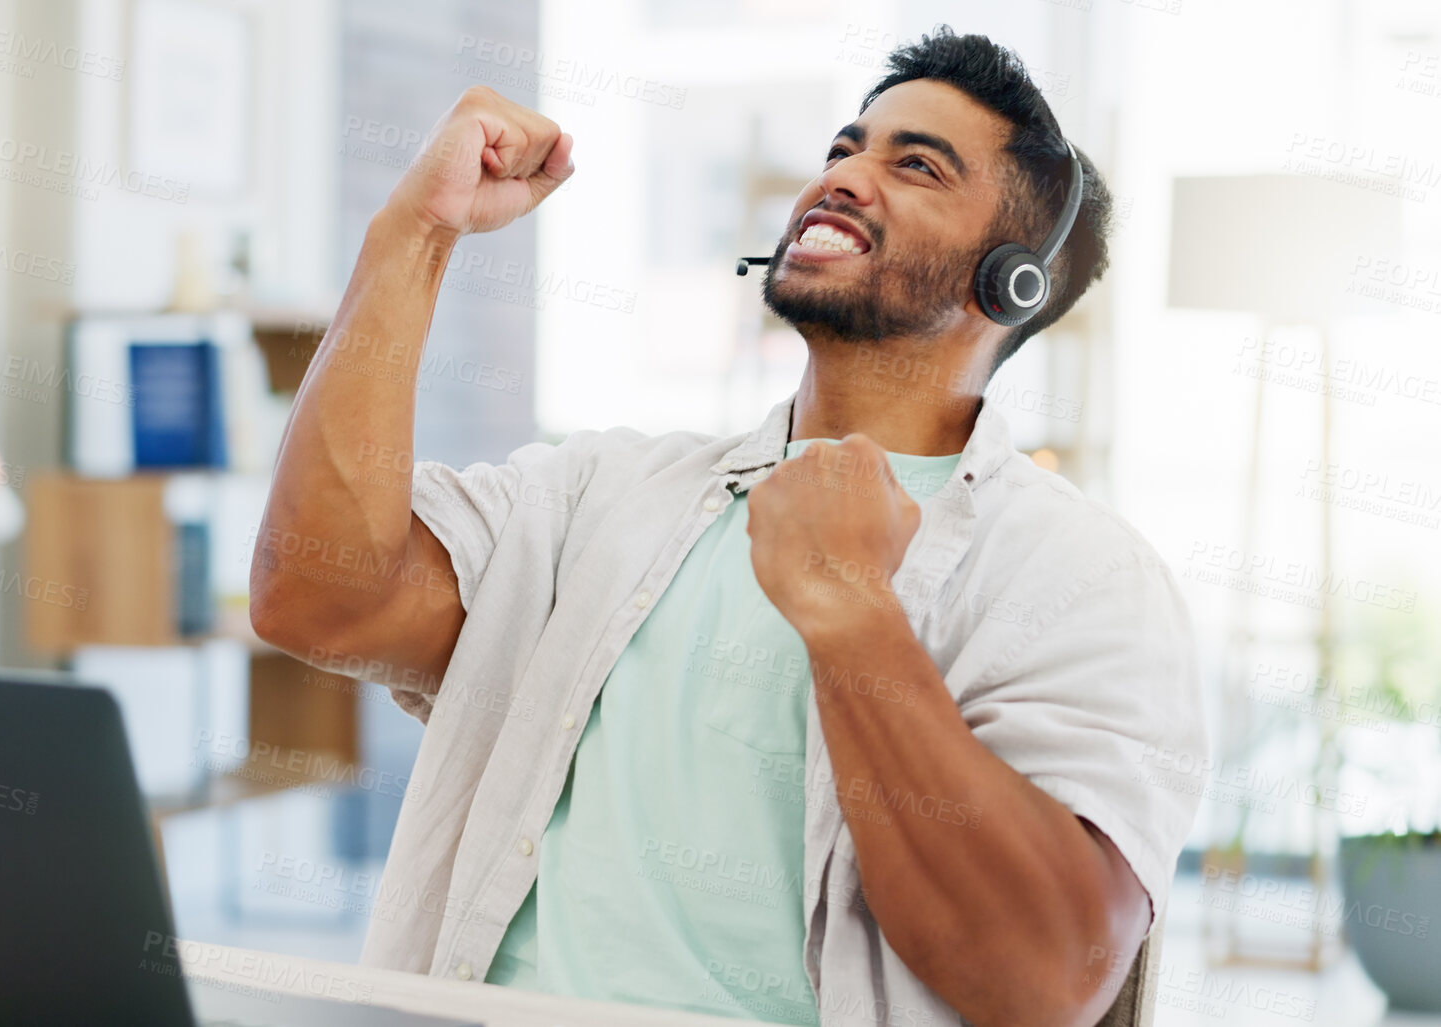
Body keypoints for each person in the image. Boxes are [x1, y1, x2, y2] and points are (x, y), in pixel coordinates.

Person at [250, 25, 1207, 1027]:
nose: (842, 178)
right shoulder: (605, 490)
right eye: (846, 148)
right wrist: (415, 231)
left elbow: (1046, 978)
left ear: (1011, 281)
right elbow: (318, 596)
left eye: (915, 165)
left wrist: (854, 612)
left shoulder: (1086, 576)